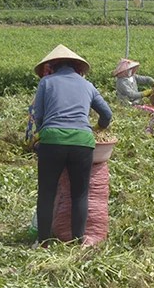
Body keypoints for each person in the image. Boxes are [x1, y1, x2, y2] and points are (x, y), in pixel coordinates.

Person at [30, 44, 112, 245]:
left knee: (47, 193)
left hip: (52, 141)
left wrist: (45, 132)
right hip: (82, 142)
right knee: (80, 194)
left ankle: (44, 242)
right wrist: (98, 128)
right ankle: (77, 241)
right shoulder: (88, 85)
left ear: (52, 66)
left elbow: (38, 116)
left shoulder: (46, 83)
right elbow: (107, 114)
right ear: (77, 68)